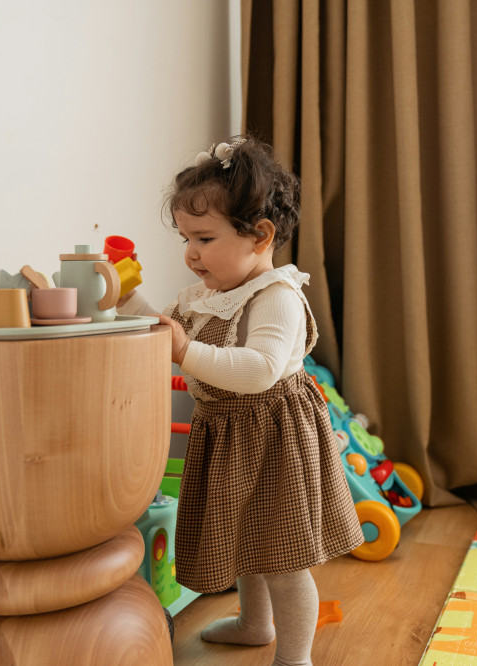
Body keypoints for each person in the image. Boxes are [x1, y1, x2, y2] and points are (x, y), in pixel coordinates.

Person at [119, 135, 364, 666]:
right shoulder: (207, 296)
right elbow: (163, 330)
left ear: (260, 236)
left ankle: (295, 657)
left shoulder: (277, 296)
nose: (190, 253)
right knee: (245, 540)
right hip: (227, 433)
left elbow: (260, 369)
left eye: (204, 238)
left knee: (282, 557)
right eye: (186, 238)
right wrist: (126, 297)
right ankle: (256, 624)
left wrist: (186, 352)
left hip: (272, 436)